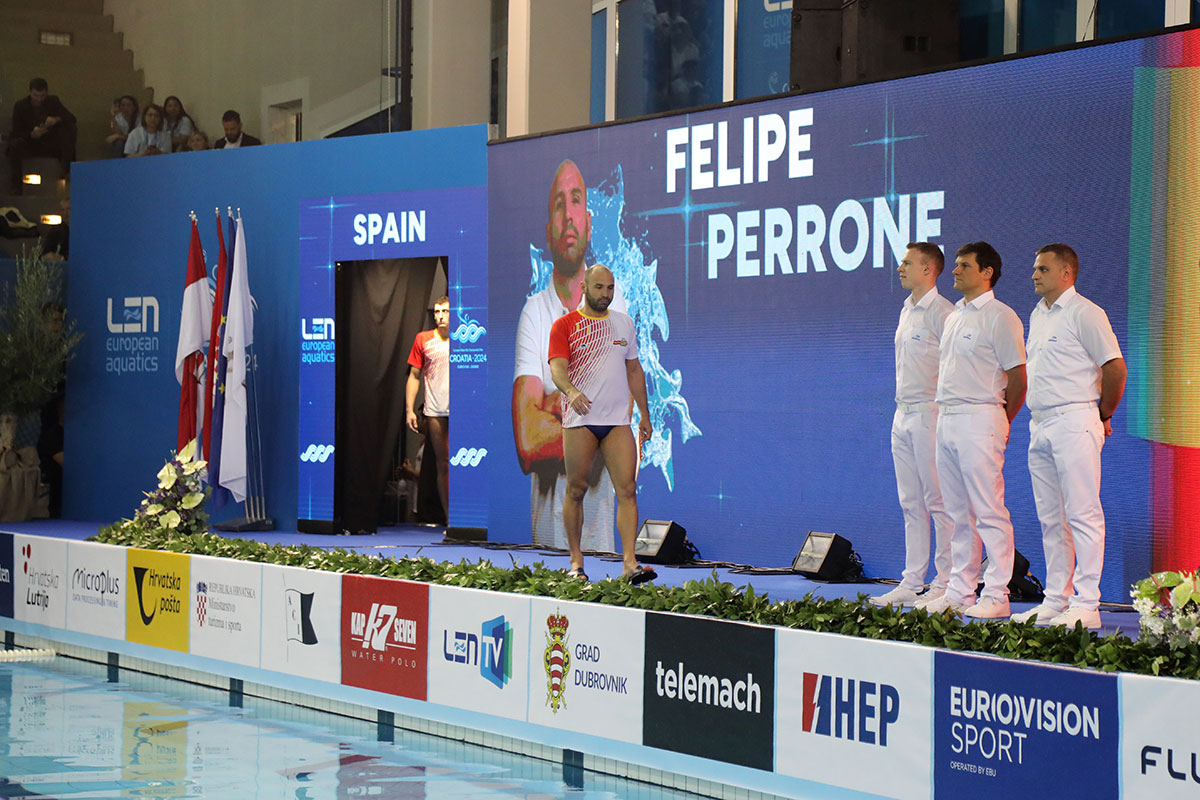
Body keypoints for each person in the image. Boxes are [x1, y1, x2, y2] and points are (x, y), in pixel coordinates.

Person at [513, 159, 627, 550]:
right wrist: (584, 413)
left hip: (600, 545)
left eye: (575, 200)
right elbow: (527, 440)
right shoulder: (535, 312)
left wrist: (551, 403)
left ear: (589, 223)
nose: (567, 215)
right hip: (545, 544)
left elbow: (612, 411)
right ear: (549, 231)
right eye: (558, 204)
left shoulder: (617, 309)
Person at [1011, 244, 1126, 629]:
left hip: (1075, 419)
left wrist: (1102, 413)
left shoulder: (1085, 313)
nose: (1034, 275)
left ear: (1066, 273)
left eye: (1042, 269)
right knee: (1051, 518)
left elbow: (1115, 368)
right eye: (1034, 268)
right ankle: (1056, 599)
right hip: (1040, 423)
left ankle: (1087, 603)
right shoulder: (1038, 314)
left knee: (1082, 513)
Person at [917, 241, 1026, 619]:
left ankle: (996, 592)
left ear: (987, 272)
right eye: (957, 265)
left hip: (981, 417)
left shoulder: (1001, 316)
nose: (955, 271)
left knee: (988, 509)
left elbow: (1018, 378)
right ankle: (960, 590)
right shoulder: (955, 316)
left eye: (964, 265)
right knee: (958, 512)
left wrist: (1000, 420)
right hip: (947, 418)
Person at [548, 265, 655, 584]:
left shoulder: (624, 324)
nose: (605, 294)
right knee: (576, 490)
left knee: (628, 490)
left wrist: (645, 414)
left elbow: (634, 371)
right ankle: (576, 562)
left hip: (617, 423)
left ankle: (630, 563)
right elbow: (557, 369)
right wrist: (571, 391)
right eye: (598, 287)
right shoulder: (565, 325)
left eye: (610, 288)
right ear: (584, 287)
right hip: (580, 421)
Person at [871, 242, 956, 607]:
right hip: (902, 413)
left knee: (939, 501)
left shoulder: (944, 313)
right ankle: (912, 581)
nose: (900, 268)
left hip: (930, 413)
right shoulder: (906, 310)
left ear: (928, 269)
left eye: (907, 263)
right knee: (910, 502)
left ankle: (946, 581)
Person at [406, 296, 451, 522]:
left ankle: (470, 517)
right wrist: (409, 410)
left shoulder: (465, 338)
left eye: (445, 311)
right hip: (435, 411)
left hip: (464, 411)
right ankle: (450, 518)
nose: (440, 316)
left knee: (465, 462)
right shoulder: (423, 339)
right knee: (443, 463)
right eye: (437, 312)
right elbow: (414, 376)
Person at [7, 78, 77, 194]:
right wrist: (31, 134)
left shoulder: (53, 102)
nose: (39, 99)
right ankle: (17, 186)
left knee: (69, 129)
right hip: (30, 144)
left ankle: (66, 170)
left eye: (42, 96)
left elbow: (71, 118)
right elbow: (16, 132)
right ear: (30, 92)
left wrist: (56, 119)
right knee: (14, 145)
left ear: (46, 93)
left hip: (50, 143)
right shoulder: (20, 106)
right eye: (36, 95)